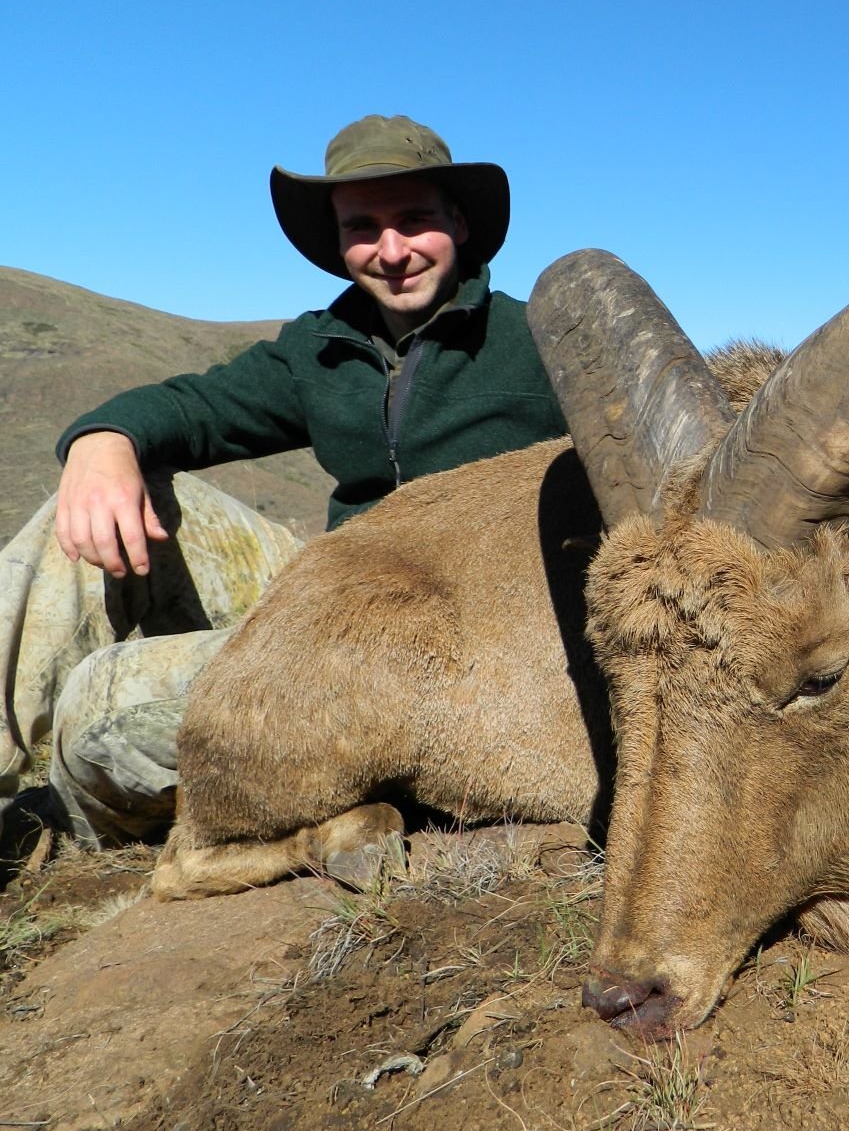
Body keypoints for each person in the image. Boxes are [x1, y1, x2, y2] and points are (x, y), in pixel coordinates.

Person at [0, 115, 567, 853]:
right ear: (337, 240)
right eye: (363, 226)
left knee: (100, 708)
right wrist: (103, 442)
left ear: (459, 223)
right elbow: (193, 408)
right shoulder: (319, 346)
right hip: (328, 593)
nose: (391, 252)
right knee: (102, 498)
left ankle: (99, 828)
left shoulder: (542, 343)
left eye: (415, 221)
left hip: (447, 644)